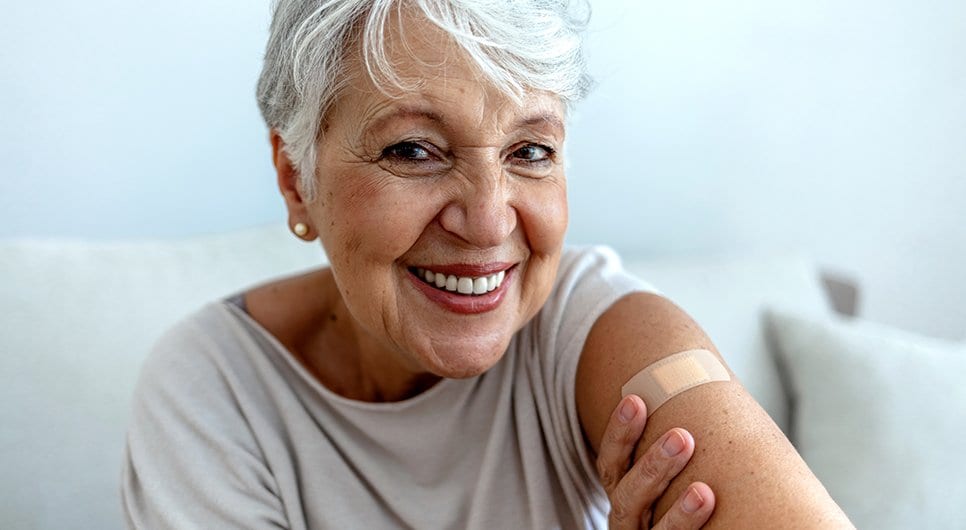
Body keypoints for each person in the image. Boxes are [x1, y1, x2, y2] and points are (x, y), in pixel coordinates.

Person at [121, 1, 854, 528]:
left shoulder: (597, 328)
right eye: (413, 149)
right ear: (295, 177)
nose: (490, 220)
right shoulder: (213, 388)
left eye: (529, 151)